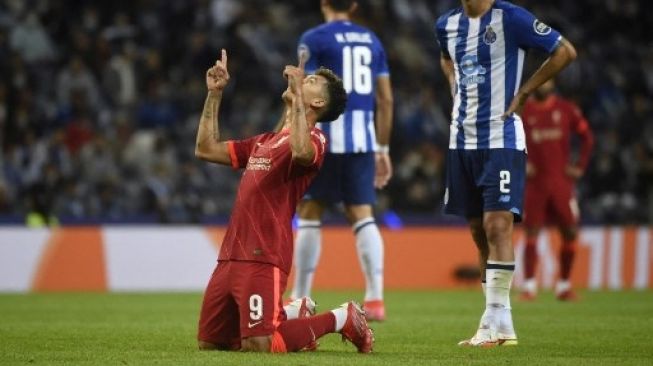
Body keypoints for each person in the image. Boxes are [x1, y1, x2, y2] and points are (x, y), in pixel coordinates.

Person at [195, 49, 373, 353]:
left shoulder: (316, 141)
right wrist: (214, 94)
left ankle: (343, 318)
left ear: (317, 102)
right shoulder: (264, 141)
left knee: (259, 344)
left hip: (264, 254)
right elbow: (206, 149)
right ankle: (292, 312)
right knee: (211, 343)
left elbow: (302, 152)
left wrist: (298, 105)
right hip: (230, 255)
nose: (301, 79)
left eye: (311, 80)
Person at [435, 0, 577, 346]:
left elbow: (564, 52)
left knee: (496, 225)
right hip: (461, 140)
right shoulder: (446, 24)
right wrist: (455, 86)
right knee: (477, 231)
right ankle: (502, 325)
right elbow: (445, 57)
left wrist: (525, 91)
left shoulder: (511, 18)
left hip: (501, 138)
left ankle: (491, 322)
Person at [289, 0, 394, 322]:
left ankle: (300, 296)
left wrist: (297, 138)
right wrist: (383, 149)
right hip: (362, 140)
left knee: (309, 210)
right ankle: (375, 298)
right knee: (362, 213)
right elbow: (386, 99)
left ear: (323, 3)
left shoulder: (315, 38)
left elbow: (305, 91)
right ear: (354, 5)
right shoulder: (372, 39)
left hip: (324, 138)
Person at [520, 79, 594, 301]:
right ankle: (530, 286)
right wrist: (521, 162)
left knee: (570, 231)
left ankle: (563, 285)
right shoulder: (524, 111)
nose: (543, 85)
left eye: (547, 80)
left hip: (562, 182)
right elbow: (509, 141)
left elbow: (587, 137)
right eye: (540, 80)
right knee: (531, 231)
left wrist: (579, 166)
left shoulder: (566, 109)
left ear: (552, 83)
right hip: (536, 184)